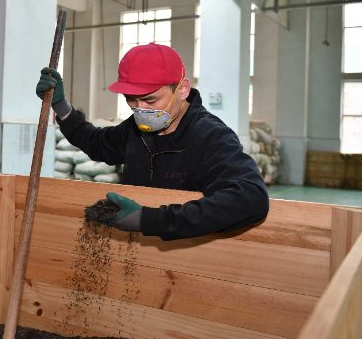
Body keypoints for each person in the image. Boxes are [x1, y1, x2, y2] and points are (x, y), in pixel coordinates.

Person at [36, 43, 268, 240]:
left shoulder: (210, 136)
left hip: (189, 252)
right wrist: (61, 107)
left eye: (150, 100)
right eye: (131, 100)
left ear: (182, 90)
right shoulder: (135, 130)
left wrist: (148, 219)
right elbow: (98, 143)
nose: (140, 110)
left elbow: (250, 198)